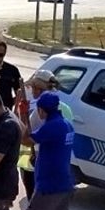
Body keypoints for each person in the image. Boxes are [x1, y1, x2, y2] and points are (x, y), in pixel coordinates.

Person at [7, 91, 77, 210]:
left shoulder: (52, 127)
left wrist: (21, 115)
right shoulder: (66, 125)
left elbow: (26, 139)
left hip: (49, 186)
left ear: (41, 110)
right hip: (64, 183)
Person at [20, 69, 73, 200]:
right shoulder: (64, 109)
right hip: (55, 166)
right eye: (33, 87)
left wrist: (22, 114)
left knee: (36, 206)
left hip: (39, 164)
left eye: (35, 87)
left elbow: (26, 137)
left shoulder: (41, 110)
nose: (33, 91)